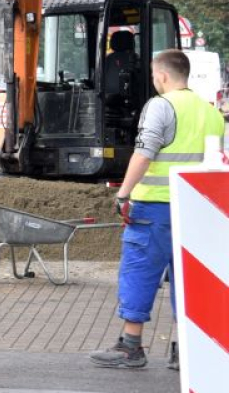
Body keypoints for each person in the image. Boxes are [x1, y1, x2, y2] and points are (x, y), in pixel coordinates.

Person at [90, 49, 225, 371]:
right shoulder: (212, 113)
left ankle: (131, 347)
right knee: (191, 277)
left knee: (139, 272)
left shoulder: (161, 106)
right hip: (198, 209)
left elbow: (144, 153)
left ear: (162, 76)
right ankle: (185, 351)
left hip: (155, 208)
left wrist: (123, 195)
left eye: (154, 76)